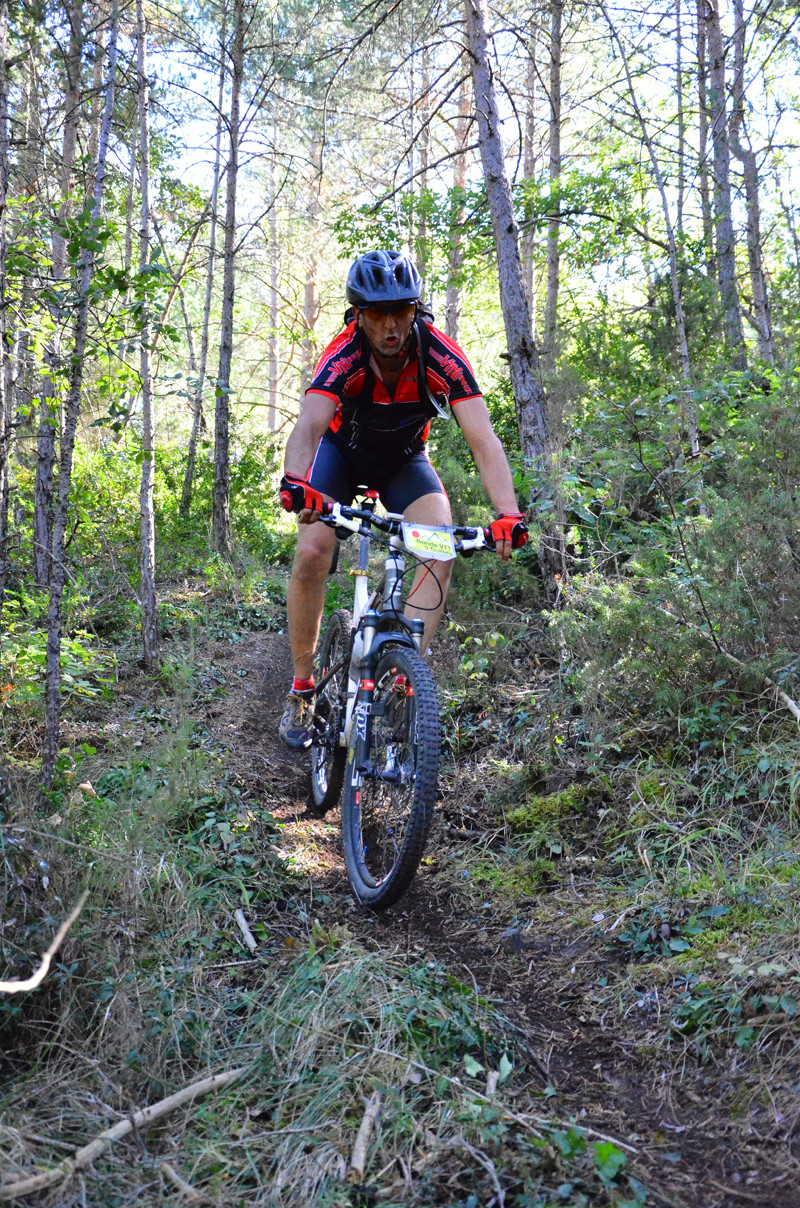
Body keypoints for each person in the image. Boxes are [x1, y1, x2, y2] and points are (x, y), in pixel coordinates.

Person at [278, 248, 528, 749]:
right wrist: (295, 481)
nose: (390, 324)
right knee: (311, 551)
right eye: (376, 312)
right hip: (341, 455)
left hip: (404, 463)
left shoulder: (440, 354)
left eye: (401, 310)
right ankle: (303, 689)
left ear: (417, 309)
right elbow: (309, 423)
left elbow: (484, 438)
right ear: (358, 316)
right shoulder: (344, 353)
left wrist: (509, 514)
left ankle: (403, 678)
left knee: (439, 550)